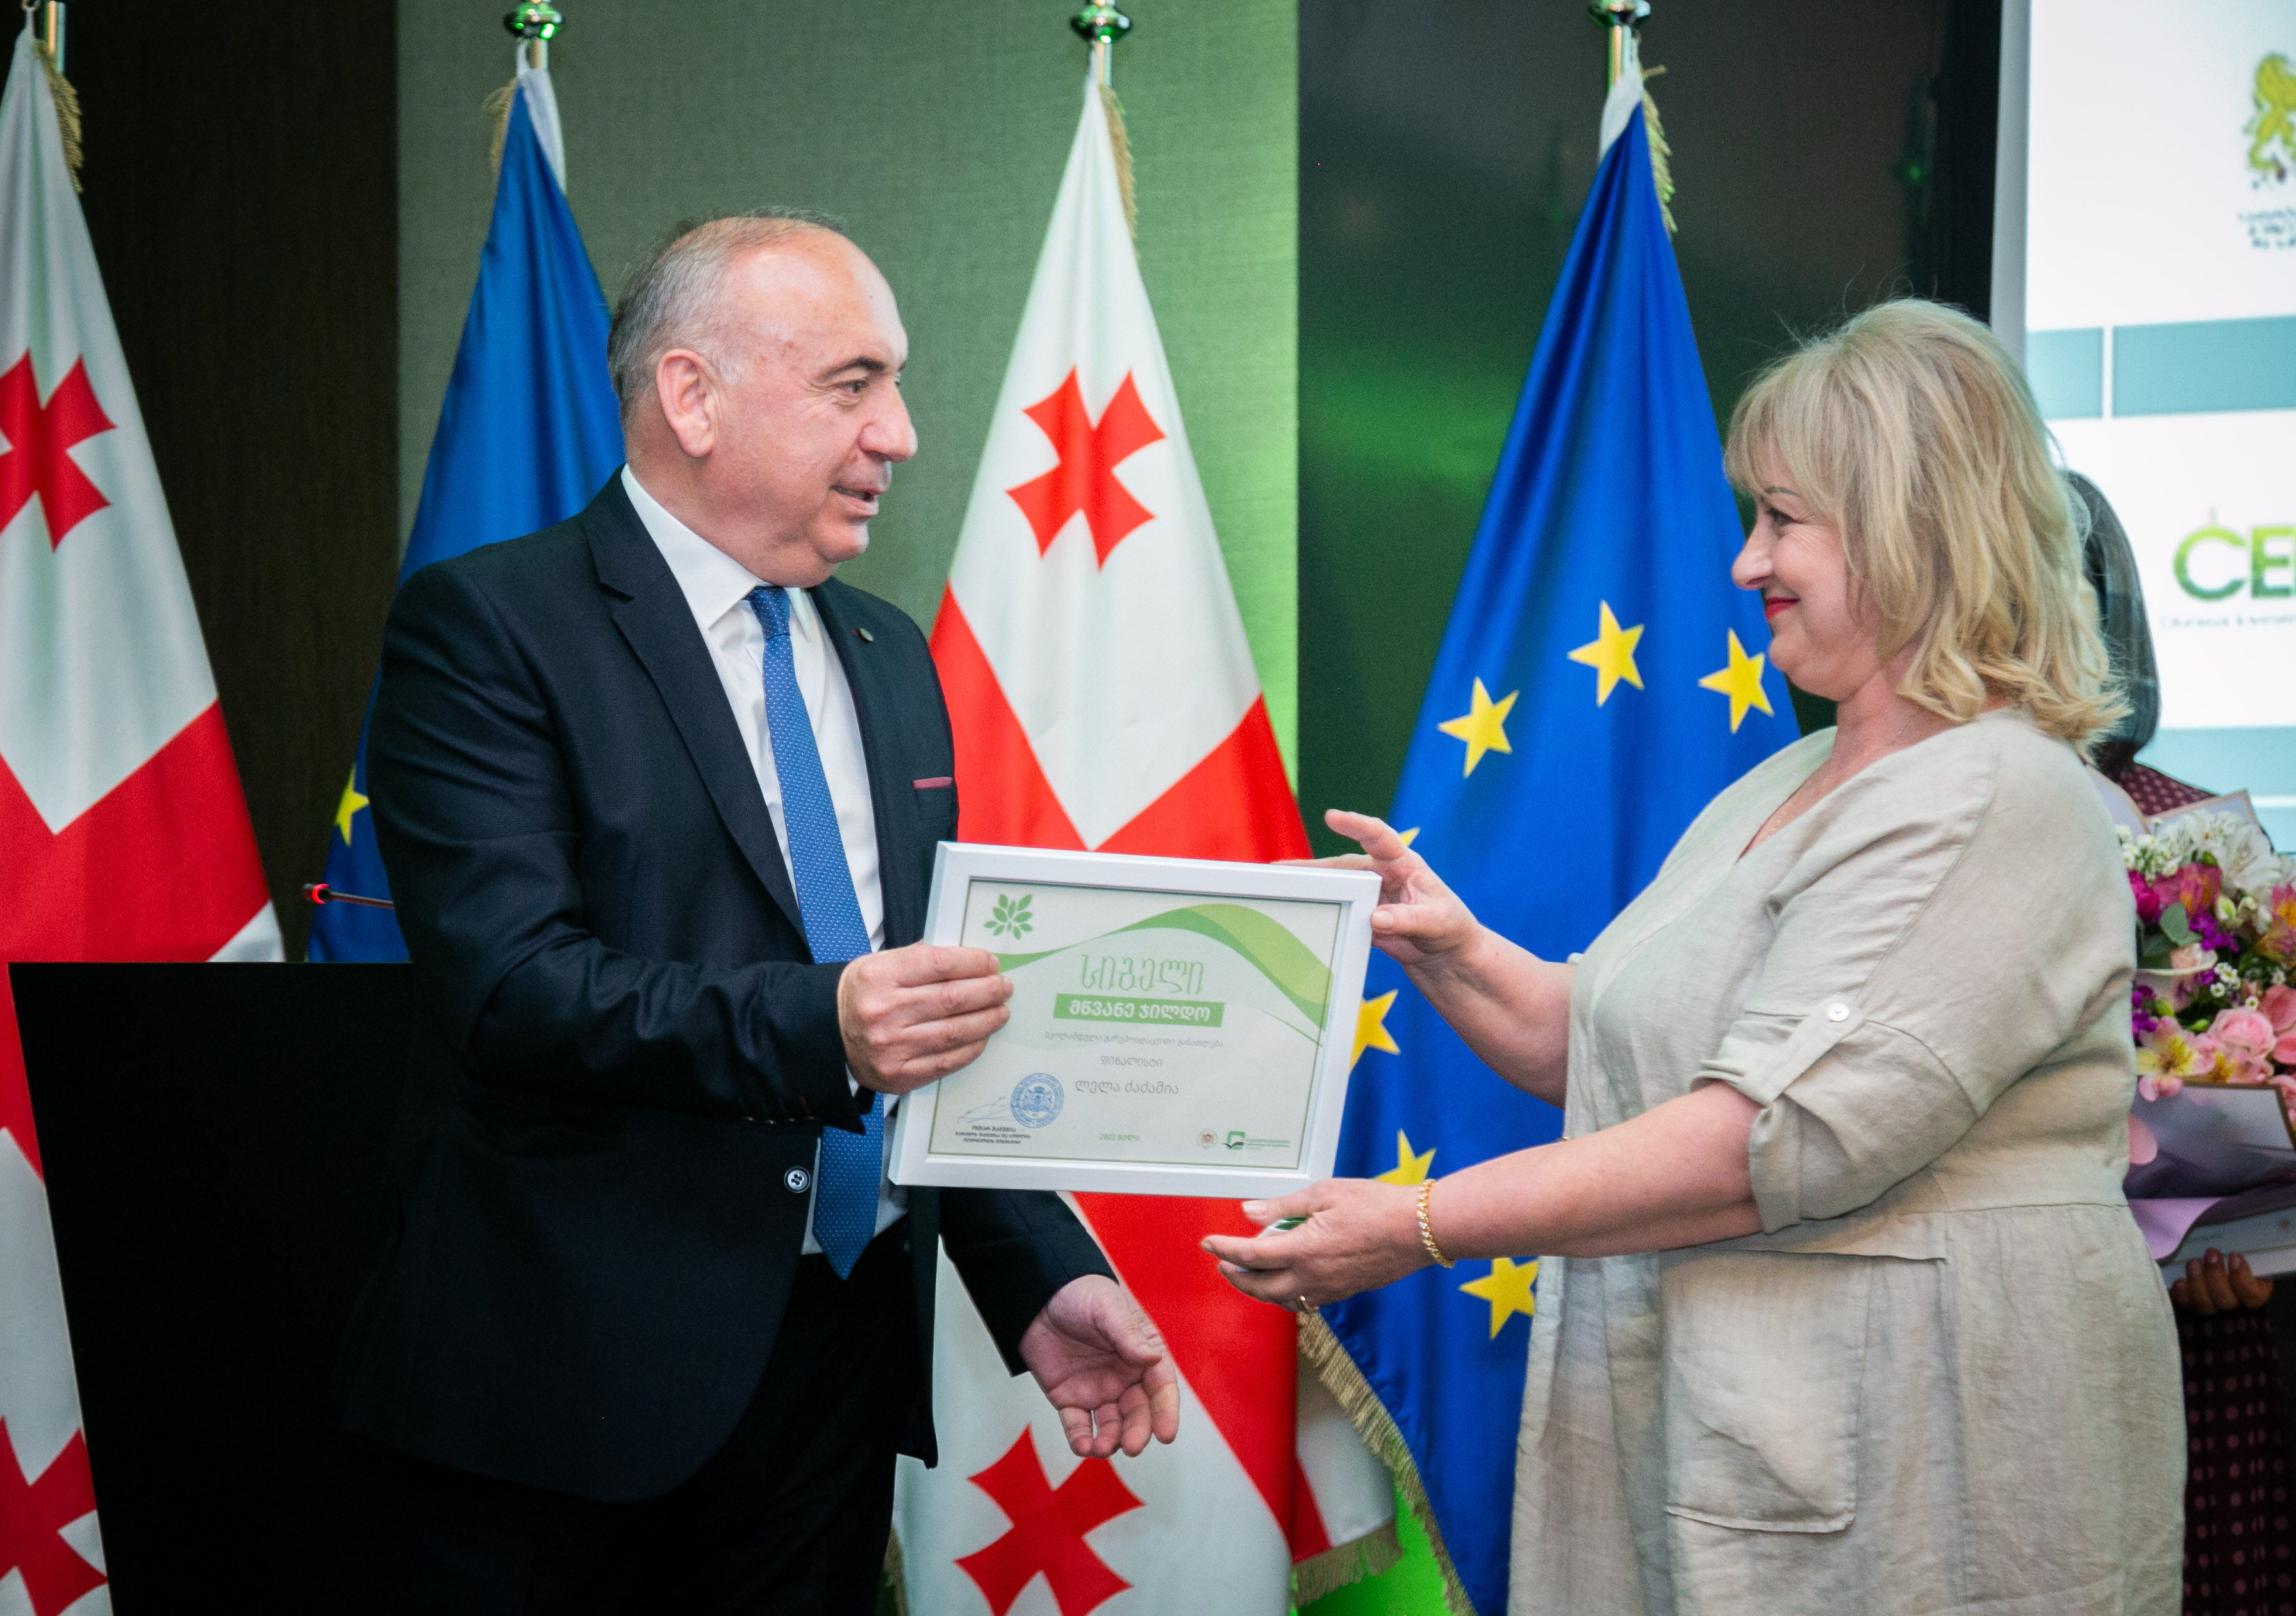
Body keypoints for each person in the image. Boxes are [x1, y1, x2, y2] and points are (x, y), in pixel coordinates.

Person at [1206, 300, 2184, 1613]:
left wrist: (1419, 1224)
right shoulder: (1793, 773)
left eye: (1781, 519)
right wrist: (1447, 946)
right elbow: (1614, 1047)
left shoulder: (1994, 794)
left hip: (1920, 1463)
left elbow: (1758, 1140)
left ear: (1909, 526)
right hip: (1743, 1436)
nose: (1744, 562)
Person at [342, 211, 1178, 1615]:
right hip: (566, 1391)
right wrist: (828, 1022)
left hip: (837, 1368)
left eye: (893, 386)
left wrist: (1033, 1271)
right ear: (693, 398)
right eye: (855, 385)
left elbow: (927, 1025)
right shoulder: (489, 627)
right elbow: (514, 988)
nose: (900, 433)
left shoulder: (890, 653)